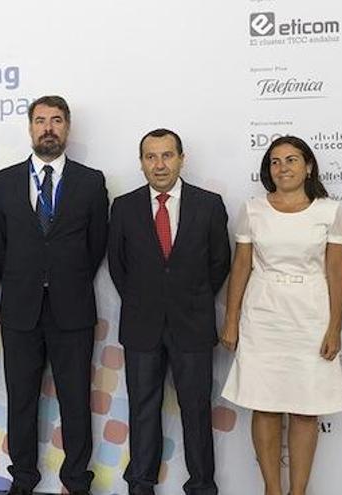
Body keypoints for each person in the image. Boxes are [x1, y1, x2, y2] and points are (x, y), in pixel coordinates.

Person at [0, 95, 108, 495]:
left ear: (68, 128)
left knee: (76, 400)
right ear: (30, 127)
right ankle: (23, 478)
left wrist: (63, 279)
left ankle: (76, 480)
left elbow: (96, 246)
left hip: (72, 310)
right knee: (21, 400)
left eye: (56, 120)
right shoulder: (3, 181)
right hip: (20, 310)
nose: (48, 128)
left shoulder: (91, 182)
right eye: (40, 120)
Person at [221, 135, 342, 495]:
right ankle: (272, 490)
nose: (283, 168)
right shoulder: (253, 210)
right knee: (265, 405)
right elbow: (241, 266)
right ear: (269, 170)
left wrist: (335, 328)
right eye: (276, 162)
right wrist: (231, 320)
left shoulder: (331, 212)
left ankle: (298, 492)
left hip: (310, 317)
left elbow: (338, 273)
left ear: (308, 166)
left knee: (307, 408)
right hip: (262, 316)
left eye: (291, 160)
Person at [108, 129, 230, 495]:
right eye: (151, 157)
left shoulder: (209, 204)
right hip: (142, 325)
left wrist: (187, 298)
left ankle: (202, 486)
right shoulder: (124, 206)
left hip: (192, 324)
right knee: (143, 411)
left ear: (181, 158)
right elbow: (118, 265)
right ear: (141, 162)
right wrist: (146, 300)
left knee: (196, 411)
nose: (159, 164)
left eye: (166, 156)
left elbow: (219, 263)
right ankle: (141, 484)